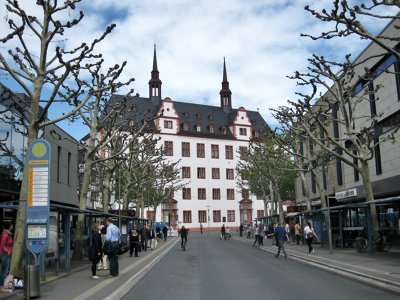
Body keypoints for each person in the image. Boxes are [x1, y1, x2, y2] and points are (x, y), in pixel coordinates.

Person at [0, 222, 13, 286]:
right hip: (4, 255)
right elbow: (2, 245)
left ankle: (2, 284)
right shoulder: (5, 235)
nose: (12, 226)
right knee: (4, 270)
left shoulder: (8, 234)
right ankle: (1, 284)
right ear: (9, 227)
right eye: (11, 225)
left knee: (5, 270)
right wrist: (7, 251)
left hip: (6, 255)